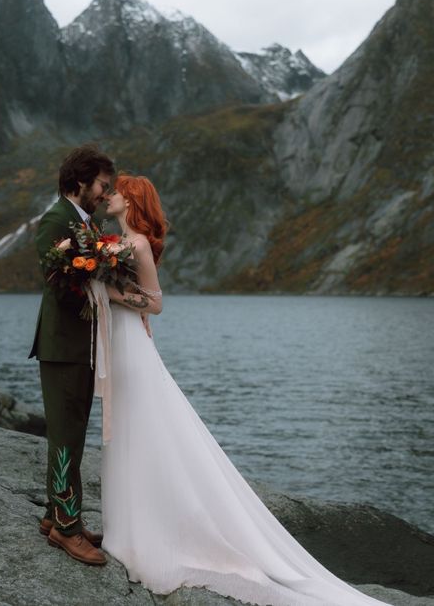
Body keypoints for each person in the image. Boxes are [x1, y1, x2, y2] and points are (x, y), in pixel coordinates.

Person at [101, 174, 390, 606]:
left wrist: (109, 292)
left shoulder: (138, 244)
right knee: (125, 428)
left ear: (133, 199)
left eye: (117, 190)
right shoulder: (113, 242)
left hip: (133, 343)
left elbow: (156, 302)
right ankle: (129, 526)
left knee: (142, 427)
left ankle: (150, 532)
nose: (109, 196)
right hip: (122, 340)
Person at [29, 144, 115, 566]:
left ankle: (55, 516)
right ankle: (66, 530)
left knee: (74, 433)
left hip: (82, 346)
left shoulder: (86, 223)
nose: (104, 192)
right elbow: (56, 281)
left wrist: (100, 270)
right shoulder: (56, 219)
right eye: (101, 184)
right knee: (65, 435)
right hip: (63, 346)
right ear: (80, 181)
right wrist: (95, 277)